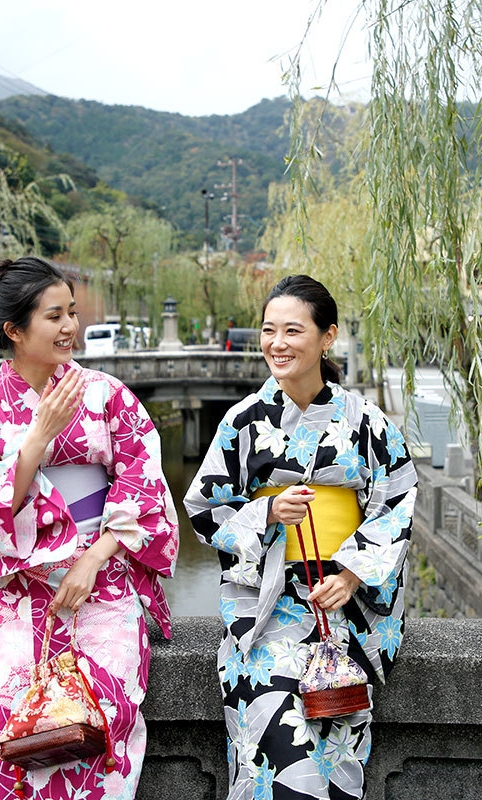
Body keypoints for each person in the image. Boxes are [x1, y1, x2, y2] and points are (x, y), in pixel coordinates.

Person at [0, 255, 179, 800]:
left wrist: (93, 557)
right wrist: (37, 439)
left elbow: (146, 483)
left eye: (72, 313)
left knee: (101, 717)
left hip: (103, 582)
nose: (70, 327)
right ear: (14, 330)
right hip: (20, 596)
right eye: (54, 316)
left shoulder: (106, 394)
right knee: (11, 720)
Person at [183, 275, 417, 800]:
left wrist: (355, 572)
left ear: (327, 336)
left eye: (293, 330)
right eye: (269, 331)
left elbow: (398, 495)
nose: (277, 343)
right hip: (268, 609)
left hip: (341, 610)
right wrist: (266, 510)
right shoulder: (242, 420)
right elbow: (203, 509)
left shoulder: (366, 421)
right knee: (277, 754)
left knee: (338, 753)